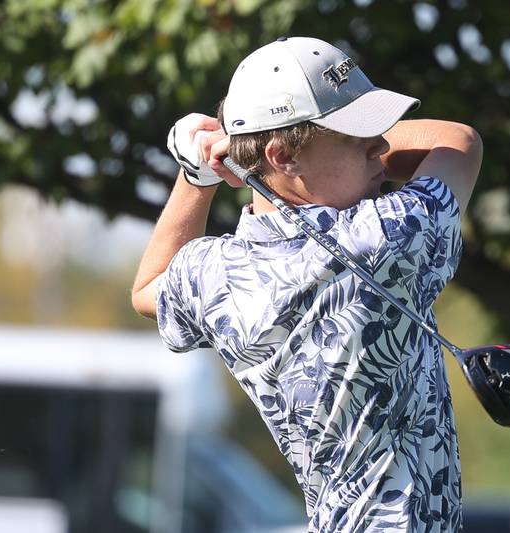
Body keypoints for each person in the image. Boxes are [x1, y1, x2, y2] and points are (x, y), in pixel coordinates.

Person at [132, 36, 482, 532]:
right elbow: (457, 141)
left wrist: (199, 175)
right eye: (354, 135)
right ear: (284, 157)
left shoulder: (217, 276)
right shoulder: (384, 239)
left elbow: (149, 286)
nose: (381, 147)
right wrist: (236, 148)